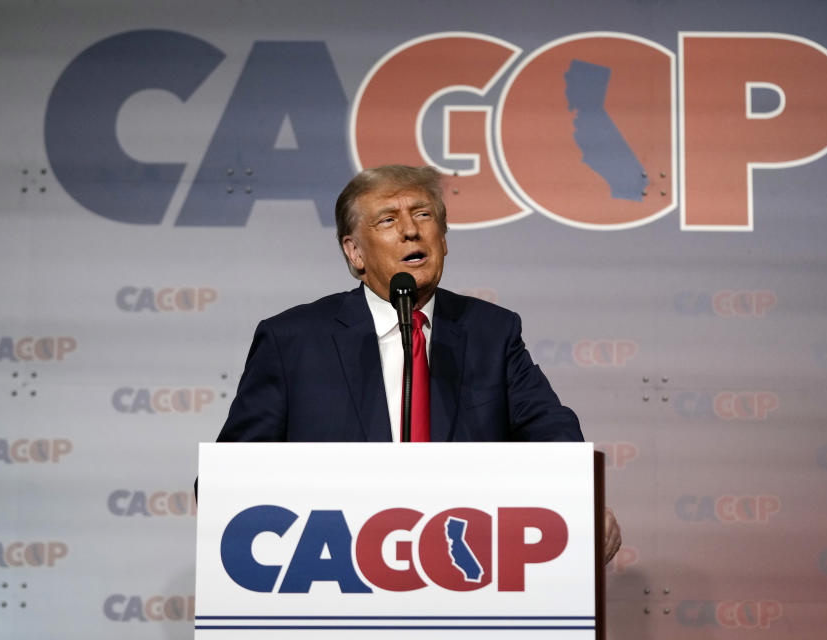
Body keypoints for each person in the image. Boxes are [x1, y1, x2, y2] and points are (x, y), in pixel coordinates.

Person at [215, 164, 621, 564]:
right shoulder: (293, 341)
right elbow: (232, 476)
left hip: (463, 565)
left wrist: (580, 498)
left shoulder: (491, 333)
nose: (411, 230)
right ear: (354, 252)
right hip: (335, 571)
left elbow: (549, 429)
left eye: (423, 215)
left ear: (443, 240)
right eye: (388, 220)